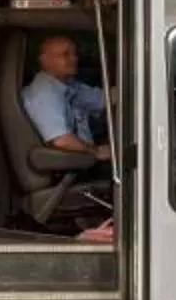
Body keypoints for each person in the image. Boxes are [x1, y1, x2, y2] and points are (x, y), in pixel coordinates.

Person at [19, 36, 116, 241]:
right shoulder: (43, 93)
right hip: (67, 174)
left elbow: (103, 99)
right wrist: (97, 152)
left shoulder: (67, 86)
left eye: (74, 53)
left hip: (80, 166)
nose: (74, 59)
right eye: (65, 54)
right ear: (44, 60)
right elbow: (60, 141)